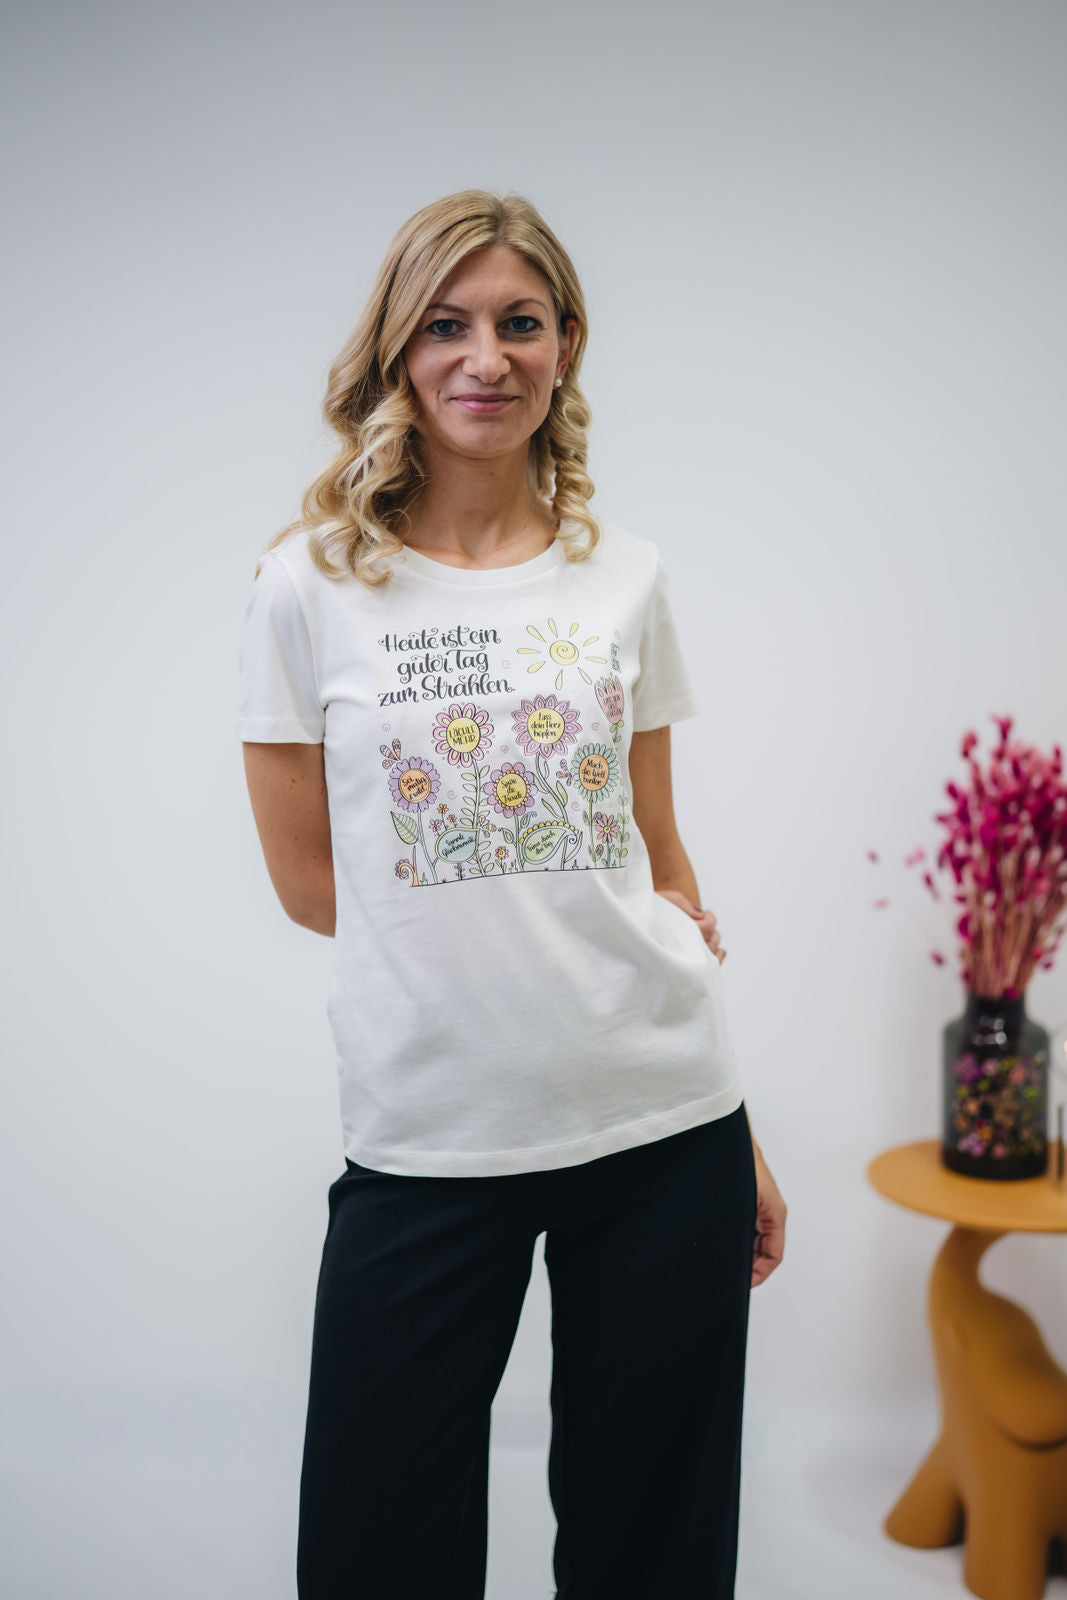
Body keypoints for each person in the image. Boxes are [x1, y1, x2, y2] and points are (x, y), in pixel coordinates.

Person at [236, 188, 786, 1600]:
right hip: (430, 1140)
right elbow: (315, 887)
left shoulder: (626, 576)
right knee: (376, 1552)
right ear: (399, 353)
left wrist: (738, 1131)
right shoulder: (306, 590)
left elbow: (657, 862)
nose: (486, 358)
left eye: (519, 323)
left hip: (662, 1129)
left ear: (565, 346)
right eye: (447, 325)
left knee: (654, 1557)